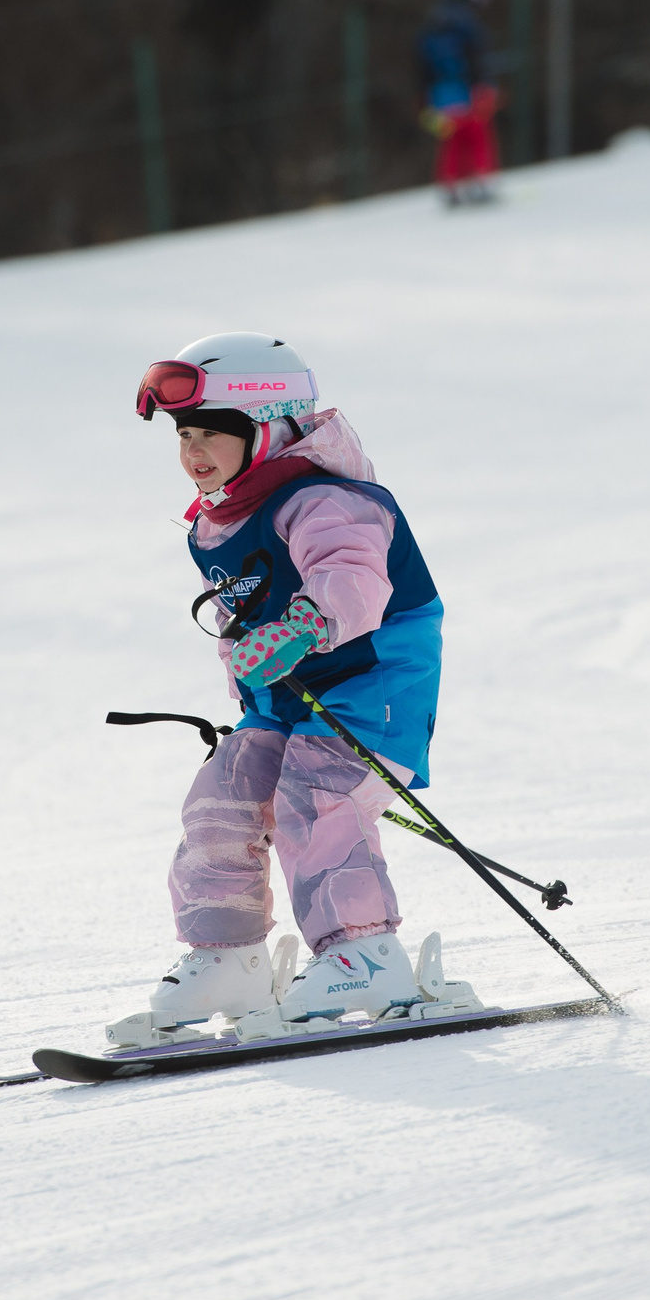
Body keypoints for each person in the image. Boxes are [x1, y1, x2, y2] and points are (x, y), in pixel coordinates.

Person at [123, 331, 446, 1039]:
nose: (193, 451)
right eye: (184, 435)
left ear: (265, 427)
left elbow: (352, 579)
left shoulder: (330, 500)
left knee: (315, 795)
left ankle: (364, 952)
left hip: (373, 690)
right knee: (222, 792)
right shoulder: (219, 520)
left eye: (212, 432)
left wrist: (301, 626)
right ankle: (227, 956)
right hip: (291, 699)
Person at [417, 0, 500, 207]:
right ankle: (481, 181)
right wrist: (483, 87)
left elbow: (421, 65)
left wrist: (423, 99)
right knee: (478, 137)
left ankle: (451, 186)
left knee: (451, 142)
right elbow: (477, 58)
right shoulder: (469, 24)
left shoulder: (429, 25)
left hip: (440, 96)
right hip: (467, 91)